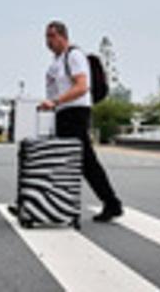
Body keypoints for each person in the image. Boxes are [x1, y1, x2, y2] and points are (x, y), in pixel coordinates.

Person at [39, 20, 123, 222]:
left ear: (62, 36)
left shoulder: (74, 56)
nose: (48, 41)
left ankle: (111, 203)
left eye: (51, 36)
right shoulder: (56, 62)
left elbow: (82, 87)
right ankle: (42, 204)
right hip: (64, 113)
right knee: (74, 161)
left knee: (82, 161)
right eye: (46, 37)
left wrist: (56, 101)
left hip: (76, 113)